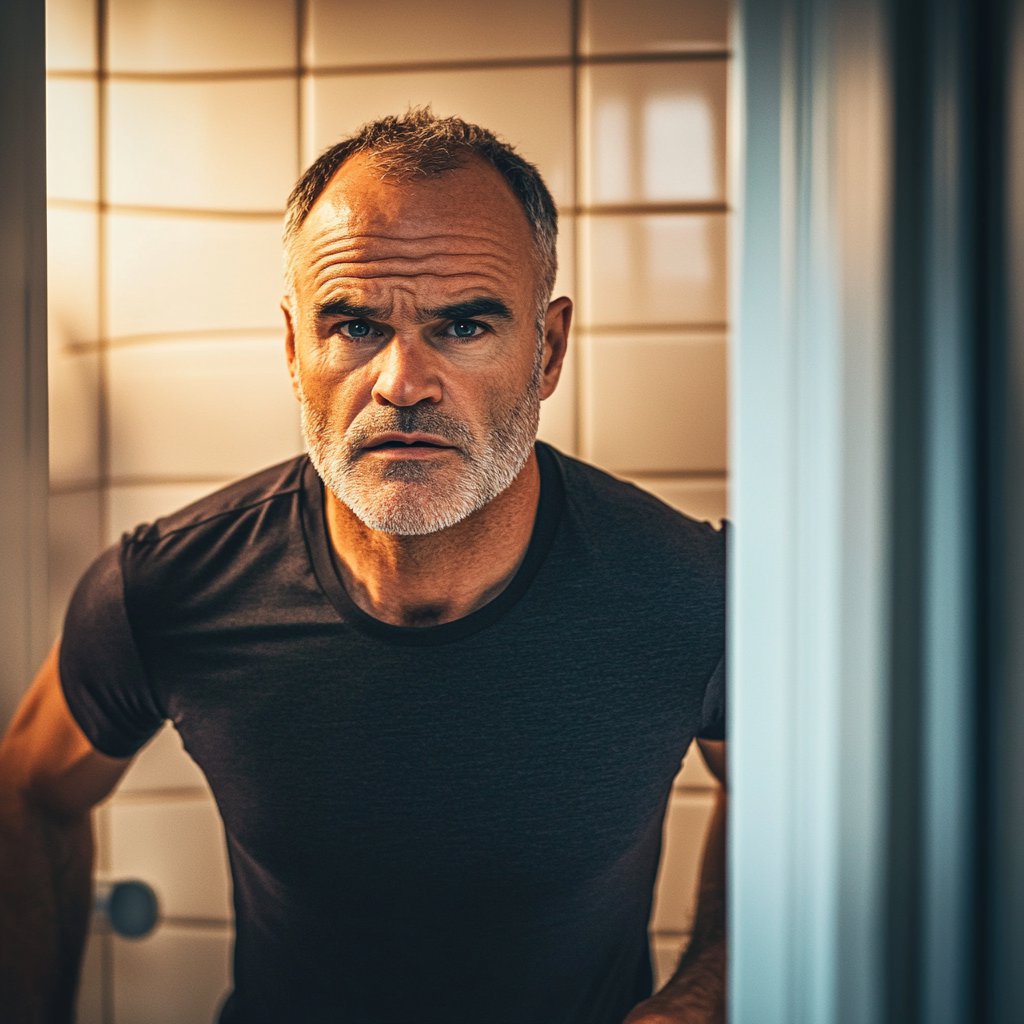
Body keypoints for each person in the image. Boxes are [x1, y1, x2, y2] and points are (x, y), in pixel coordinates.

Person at [0, 109, 727, 1024]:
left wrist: (703, 991)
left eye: (464, 326)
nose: (402, 381)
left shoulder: (693, 590)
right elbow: (26, 790)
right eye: (352, 325)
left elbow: (791, 800)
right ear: (294, 348)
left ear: (548, 351)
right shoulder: (168, 586)